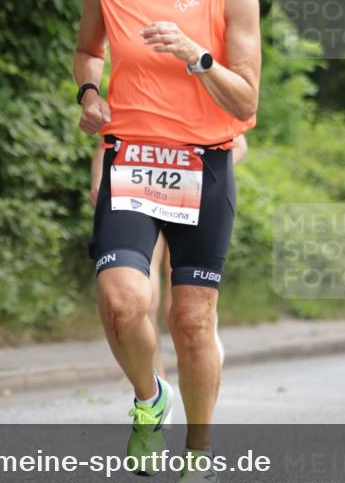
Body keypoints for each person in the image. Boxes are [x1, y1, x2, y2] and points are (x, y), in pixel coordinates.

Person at [74, 0, 261, 483]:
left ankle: (198, 452)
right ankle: (148, 398)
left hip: (202, 164)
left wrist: (196, 56)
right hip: (131, 158)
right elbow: (86, 51)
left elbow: (246, 102)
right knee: (122, 300)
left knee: (190, 322)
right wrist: (88, 98)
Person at [89, 133, 250, 383]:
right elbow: (106, 142)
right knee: (144, 301)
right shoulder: (134, 101)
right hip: (140, 190)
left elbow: (239, 146)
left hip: (188, 196)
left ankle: (206, 327)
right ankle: (159, 393)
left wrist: (199, 177)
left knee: (177, 302)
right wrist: (99, 182)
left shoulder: (199, 102)